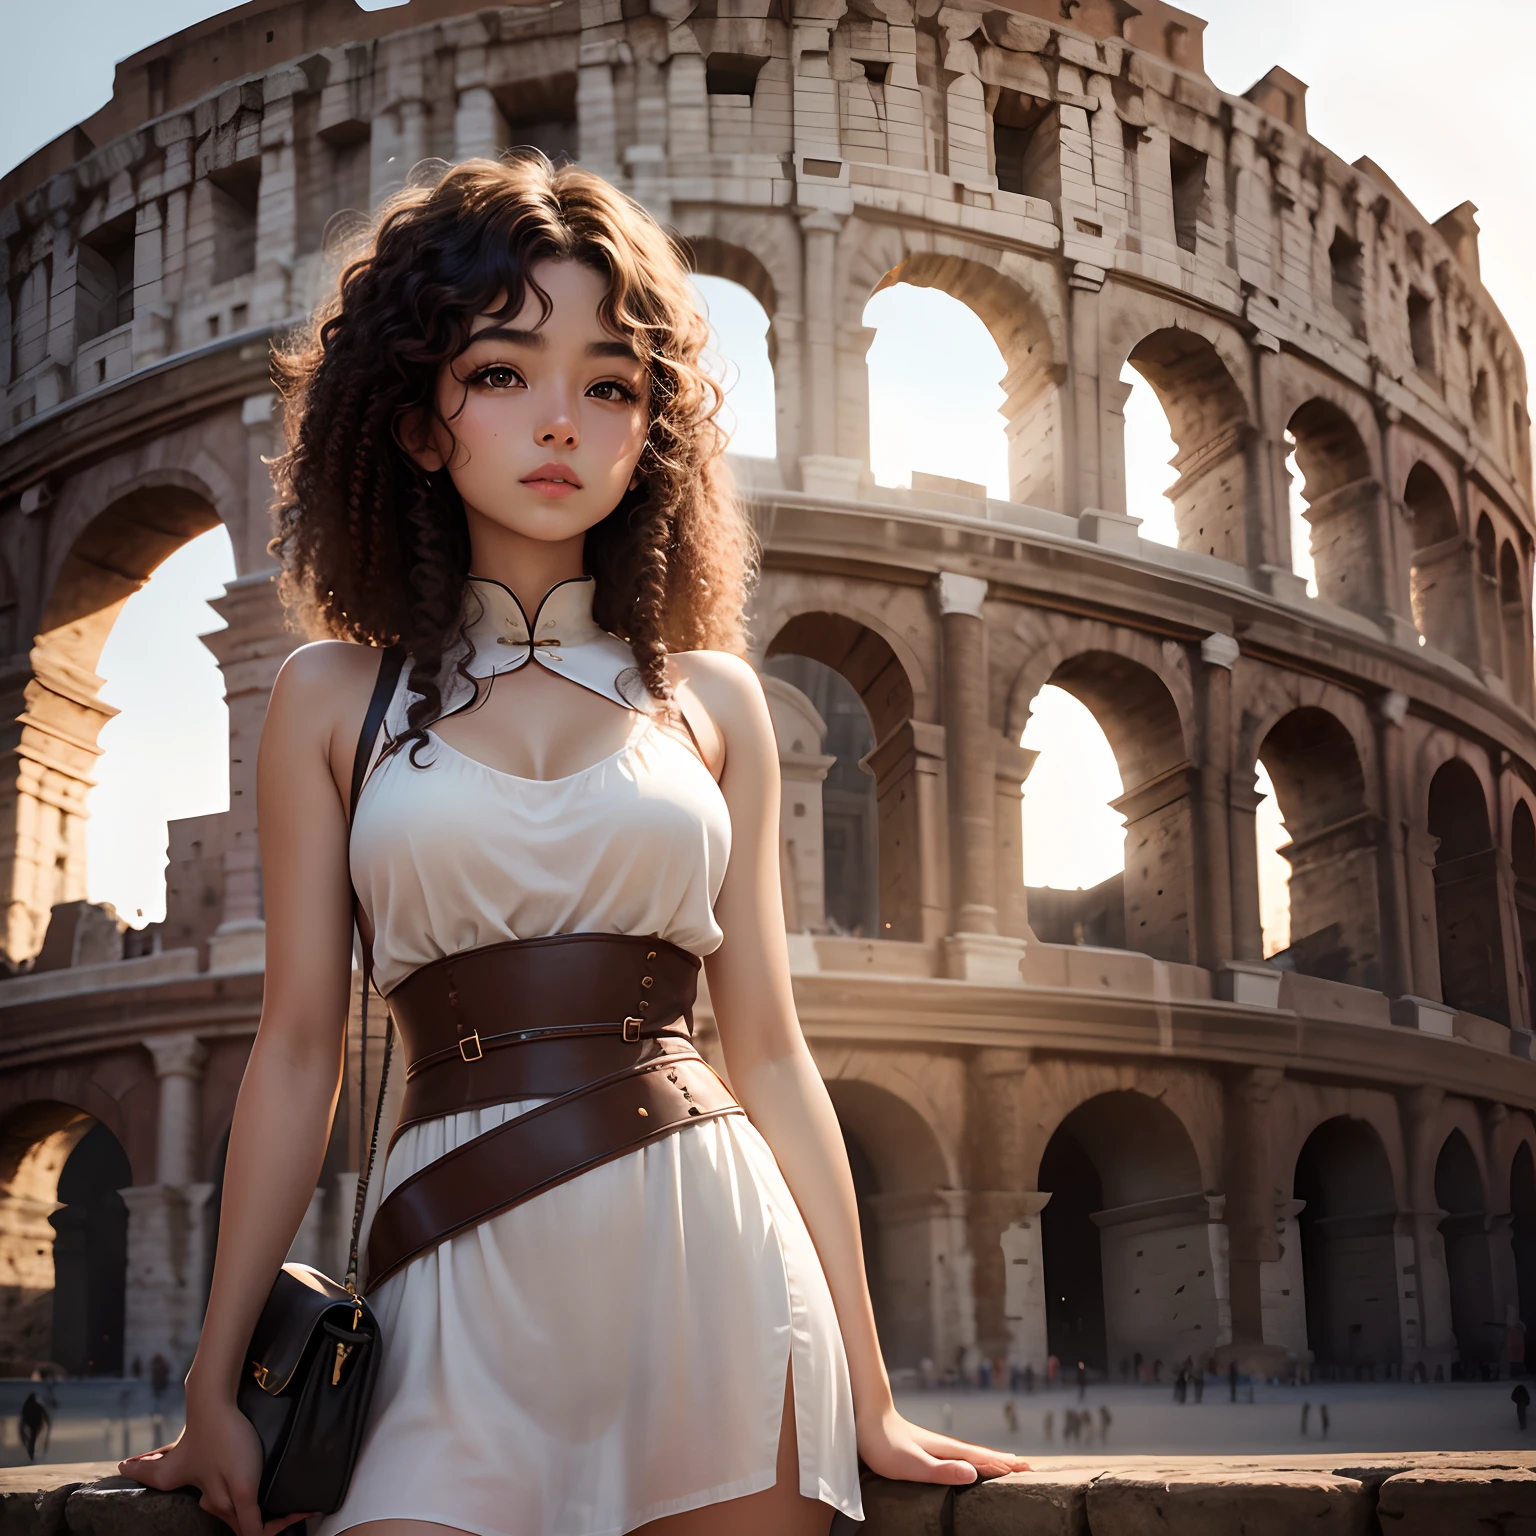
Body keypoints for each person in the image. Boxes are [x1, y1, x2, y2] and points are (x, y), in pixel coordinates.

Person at [117, 155, 1026, 1536]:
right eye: (501, 374)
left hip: (713, 1256)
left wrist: (875, 1383)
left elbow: (772, 1050)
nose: (562, 422)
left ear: (650, 428)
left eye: (609, 385)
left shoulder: (715, 699)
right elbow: (298, 1048)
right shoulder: (327, 698)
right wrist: (211, 1387)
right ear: (420, 423)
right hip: (447, 1284)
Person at [18, 1392, 49, 1461]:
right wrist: (47, 1423)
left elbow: (23, 1416)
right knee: (33, 1438)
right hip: (36, 1424)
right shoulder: (37, 1405)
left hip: (30, 1423)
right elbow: (45, 1415)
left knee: (31, 1438)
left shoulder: (27, 1405)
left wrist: (23, 1425)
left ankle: (31, 1453)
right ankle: (31, 1453)